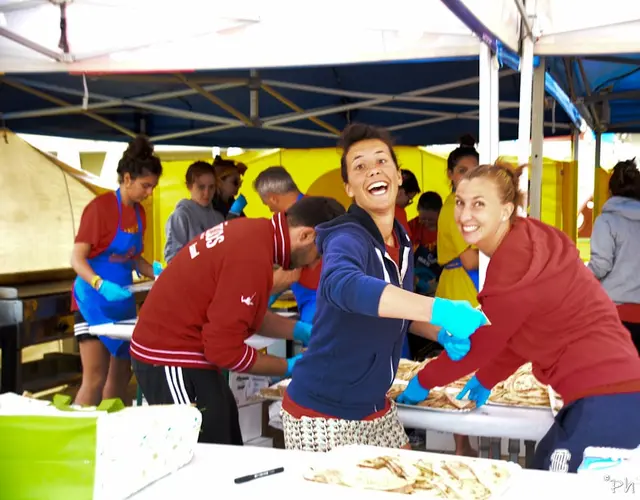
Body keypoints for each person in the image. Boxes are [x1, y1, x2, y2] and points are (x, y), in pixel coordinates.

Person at [398, 162, 640, 473]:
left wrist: (423, 381)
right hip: (610, 388)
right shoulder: (529, 237)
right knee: (540, 465)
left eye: (479, 204)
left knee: (554, 484)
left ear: (506, 210)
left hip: (605, 395)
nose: (464, 214)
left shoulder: (514, 261)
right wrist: (487, 378)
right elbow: (520, 334)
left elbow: (482, 343)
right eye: (460, 202)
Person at [281, 123, 488, 453]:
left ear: (398, 174)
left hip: (375, 405)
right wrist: (439, 308)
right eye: (360, 166)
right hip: (322, 411)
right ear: (349, 187)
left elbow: (394, 310)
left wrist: (438, 332)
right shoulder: (346, 236)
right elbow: (343, 285)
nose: (373, 170)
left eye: (381, 162)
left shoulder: (401, 240)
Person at [130, 196, 346, 445]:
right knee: (204, 452)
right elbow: (224, 350)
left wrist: (301, 331)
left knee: (227, 431)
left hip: (191, 351)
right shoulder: (252, 255)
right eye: (319, 255)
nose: (314, 263)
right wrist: (289, 367)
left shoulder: (256, 234)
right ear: (306, 236)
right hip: (169, 356)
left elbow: (247, 313)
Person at [70, 135, 162, 406]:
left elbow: (133, 258)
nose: (150, 193)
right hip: (93, 300)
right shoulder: (99, 208)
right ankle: (73, 440)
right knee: (95, 379)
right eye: (146, 186)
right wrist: (99, 284)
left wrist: (157, 272)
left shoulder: (140, 213)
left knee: (121, 377)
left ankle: (112, 439)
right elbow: (76, 258)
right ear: (127, 179)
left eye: (153, 187)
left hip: (122, 301)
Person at [433, 134, 480, 456]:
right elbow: (473, 260)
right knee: (462, 367)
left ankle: (467, 444)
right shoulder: (454, 208)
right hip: (460, 288)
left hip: (466, 288)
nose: (469, 176)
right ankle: (462, 448)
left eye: (476, 170)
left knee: (470, 366)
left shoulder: (467, 206)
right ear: (450, 174)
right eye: (463, 170)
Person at [253, 166, 322, 323]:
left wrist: (256, 299)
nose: (271, 210)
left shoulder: (297, 220)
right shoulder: (316, 207)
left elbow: (289, 272)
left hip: (317, 299)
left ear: (273, 198)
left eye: (267, 205)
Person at [588, 159, 640, 355]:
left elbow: (601, 266)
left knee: (616, 378)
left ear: (610, 190)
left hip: (615, 313)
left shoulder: (607, 220)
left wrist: (578, 276)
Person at [408, 191, 444, 360]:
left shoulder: (447, 229)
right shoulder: (412, 227)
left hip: (438, 285)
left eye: (432, 219)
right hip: (414, 285)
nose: (427, 223)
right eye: (424, 219)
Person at [164, 161, 223, 263]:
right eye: (201, 187)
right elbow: (172, 258)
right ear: (189, 186)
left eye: (211, 187)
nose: (207, 193)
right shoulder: (181, 216)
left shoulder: (218, 218)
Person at [211, 155, 248, 219]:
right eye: (235, 182)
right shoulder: (210, 206)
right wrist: (233, 213)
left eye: (240, 182)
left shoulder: (231, 202)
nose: (239, 185)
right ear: (219, 182)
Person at [394, 169, 420, 239]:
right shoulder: (398, 211)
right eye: (409, 199)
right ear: (400, 191)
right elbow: (406, 238)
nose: (408, 203)